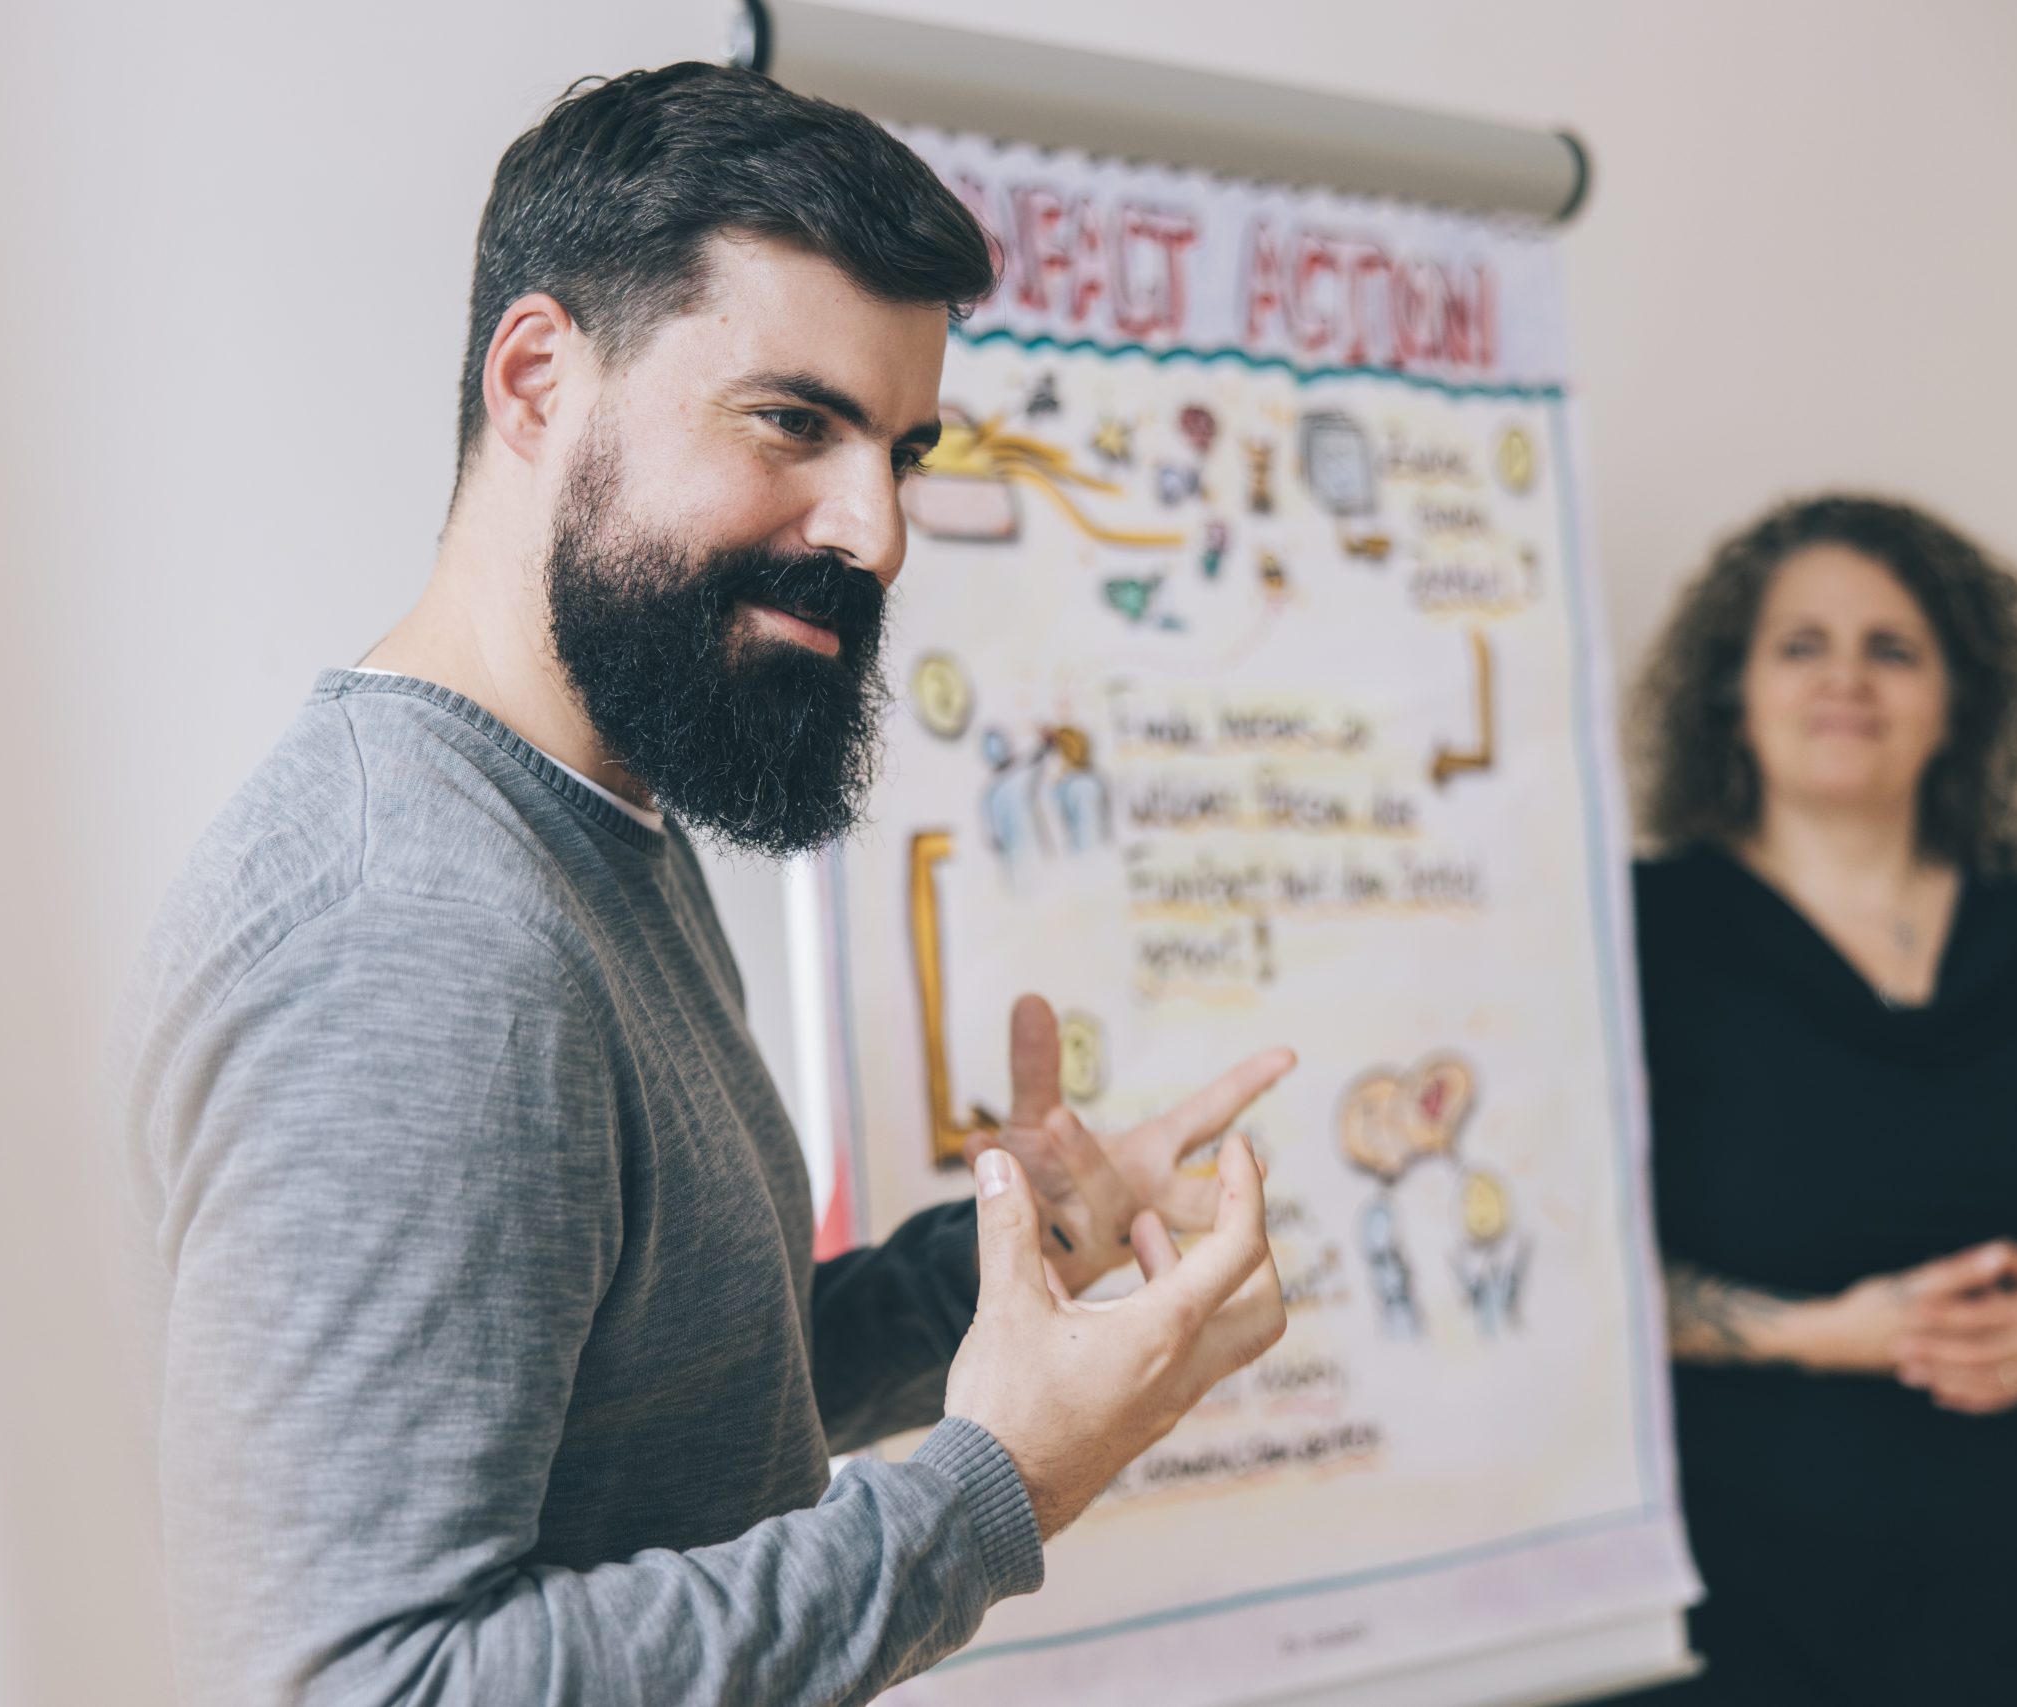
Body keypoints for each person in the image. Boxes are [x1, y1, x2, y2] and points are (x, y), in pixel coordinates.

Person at [117, 64, 1295, 1707]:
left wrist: (1000, 1262)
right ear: (536, 380)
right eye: (794, 422)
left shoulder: (584, 828)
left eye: (903, 447)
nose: (876, 528)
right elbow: (367, 1684)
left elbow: (651, 1403)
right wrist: (1000, 1483)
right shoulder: (419, 939)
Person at [1610, 495, 2017, 1705]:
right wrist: (1829, 1337)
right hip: (1709, 1636)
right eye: (1799, 644)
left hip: (1995, 1627)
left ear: (1960, 700)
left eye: (1893, 647)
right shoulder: (1638, 932)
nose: (1847, 679)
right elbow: (1551, 1292)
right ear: (1732, 692)